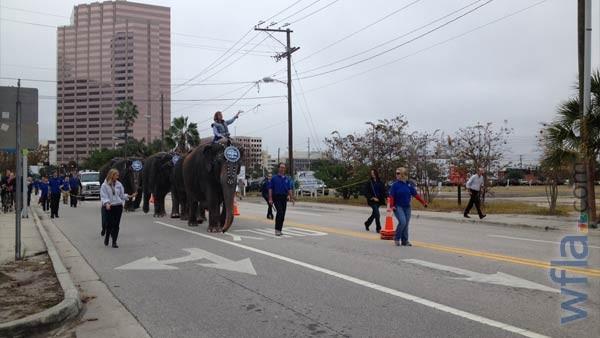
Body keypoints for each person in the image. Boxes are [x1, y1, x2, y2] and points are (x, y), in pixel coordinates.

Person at [388, 167, 428, 246]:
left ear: (403, 174)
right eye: (396, 173)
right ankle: (396, 237)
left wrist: (423, 202)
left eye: (398, 173)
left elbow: (415, 194)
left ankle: (405, 241)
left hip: (407, 207)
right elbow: (391, 196)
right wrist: (392, 206)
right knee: (402, 222)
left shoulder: (408, 184)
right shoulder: (395, 185)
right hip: (398, 206)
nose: (396, 175)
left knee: (406, 224)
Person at [100, 169, 136, 248]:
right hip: (109, 207)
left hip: (118, 206)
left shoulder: (119, 184)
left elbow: (122, 195)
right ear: (112, 175)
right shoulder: (104, 185)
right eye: (117, 175)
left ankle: (114, 242)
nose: (118, 177)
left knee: (116, 224)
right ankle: (107, 236)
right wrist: (107, 203)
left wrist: (130, 196)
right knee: (109, 224)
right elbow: (103, 196)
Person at [268, 163, 294, 236]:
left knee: (283, 214)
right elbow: (270, 189)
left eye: (284, 168)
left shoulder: (286, 179)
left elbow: (289, 189)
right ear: (278, 168)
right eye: (281, 167)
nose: (282, 169)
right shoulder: (274, 178)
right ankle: (277, 230)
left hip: (284, 197)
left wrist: (291, 198)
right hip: (276, 197)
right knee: (280, 213)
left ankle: (280, 230)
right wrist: (270, 199)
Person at [363, 169, 386, 233]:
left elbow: (383, 191)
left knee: (374, 214)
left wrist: (386, 197)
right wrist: (372, 198)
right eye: (371, 173)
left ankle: (367, 223)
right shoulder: (369, 182)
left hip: (379, 201)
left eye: (373, 173)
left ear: (376, 173)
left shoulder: (380, 182)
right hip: (372, 201)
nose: (372, 174)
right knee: (377, 214)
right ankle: (378, 228)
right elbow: (365, 192)